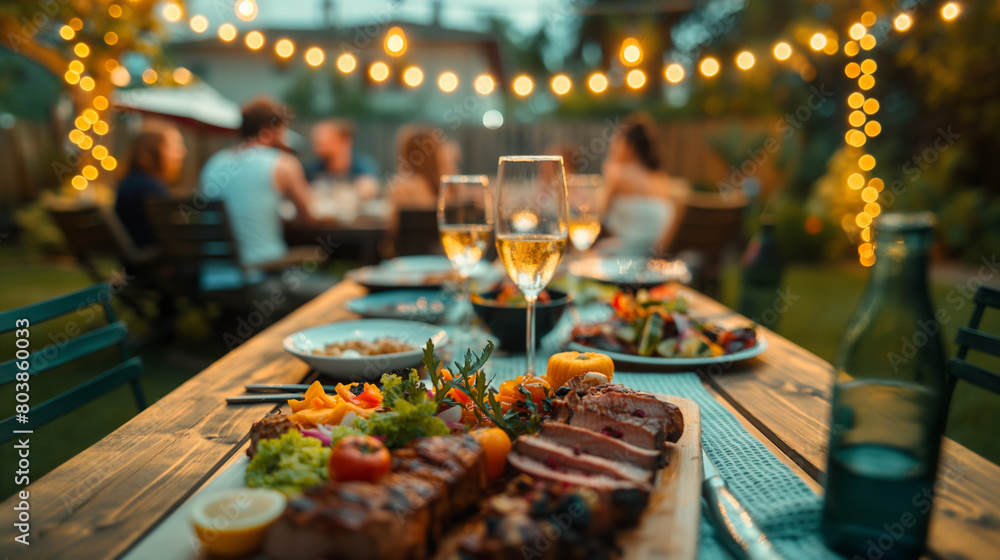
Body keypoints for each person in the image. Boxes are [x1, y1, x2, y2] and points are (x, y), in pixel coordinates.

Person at [198, 97, 328, 303]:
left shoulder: (212, 164)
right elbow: (310, 218)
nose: (285, 138)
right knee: (338, 292)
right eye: (283, 131)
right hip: (261, 276)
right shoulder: (282, 163)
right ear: (269, 131)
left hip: (213, 278)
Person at [600, 113, 688, 255]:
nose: (612, 147)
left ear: (630, 146)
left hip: (625, 256)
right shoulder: (661, 178)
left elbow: (598, 215)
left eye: (617, 142)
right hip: (655, 256)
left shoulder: (619, 175)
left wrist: (608, 169)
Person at [114, 120, 187, 248]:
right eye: (176, 146)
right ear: (154, 150)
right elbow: (170, 236)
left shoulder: (129, 182)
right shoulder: (150, 188)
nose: (183, 152)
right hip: (153, 261)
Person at [386, 126, 458, 234]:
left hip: (409, 250)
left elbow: (392, 229)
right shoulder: (445, 187)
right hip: (442, 248)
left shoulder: (400, 188)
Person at [307, 119, 380, 201]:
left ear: (345, 140)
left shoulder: (362, 166)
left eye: (322, 140)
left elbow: (369, 188)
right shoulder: (312, 169)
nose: (317, 141)